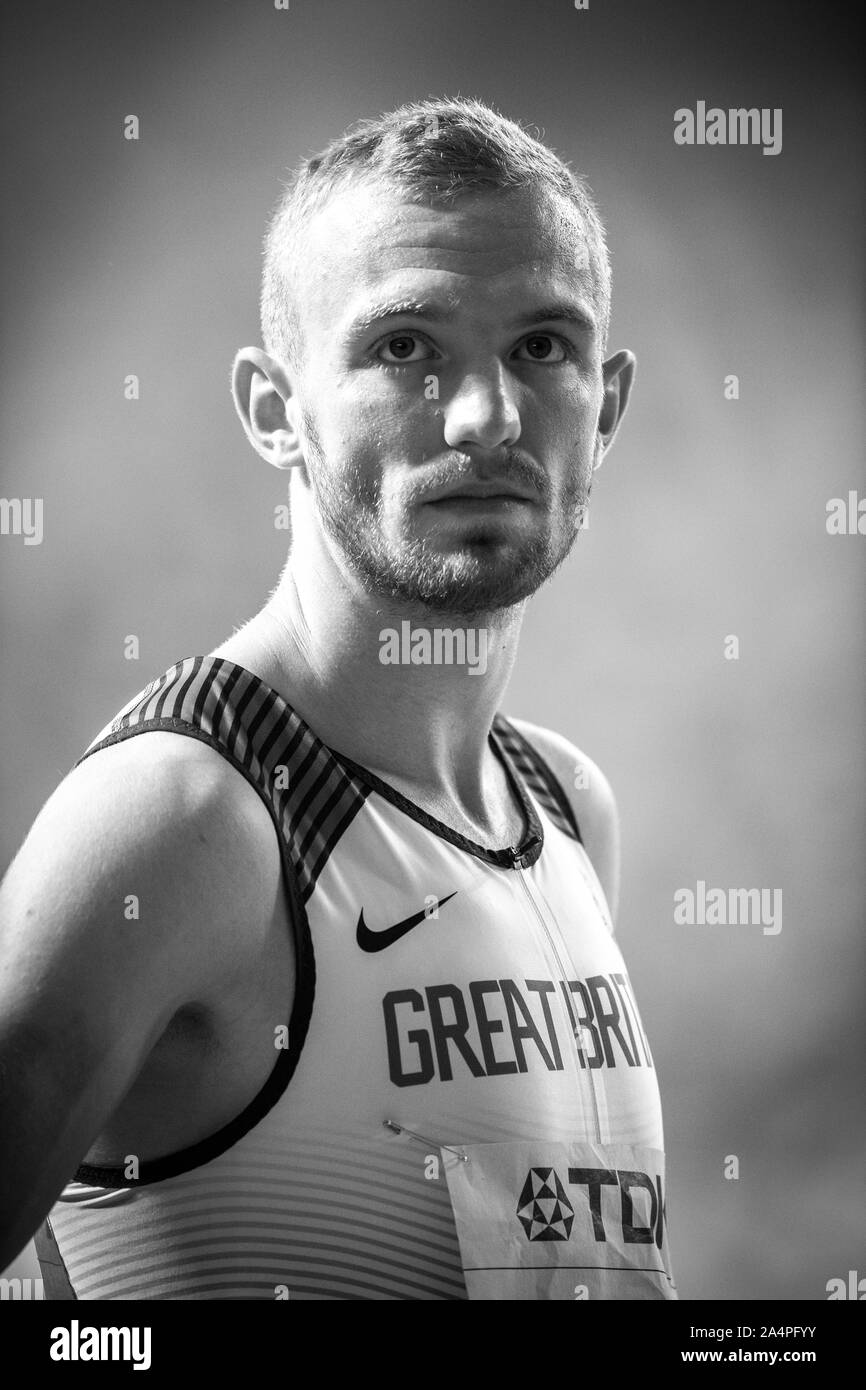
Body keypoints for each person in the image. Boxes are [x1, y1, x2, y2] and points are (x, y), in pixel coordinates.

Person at [0, 97, 675, 1299]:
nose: (486, 417)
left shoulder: (568, 809)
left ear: (606, 404)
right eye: (405, 346)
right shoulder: (182, 821)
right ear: (274, 410)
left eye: (541, 346)